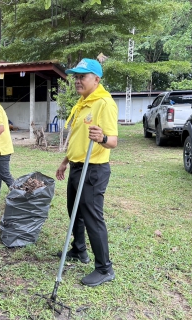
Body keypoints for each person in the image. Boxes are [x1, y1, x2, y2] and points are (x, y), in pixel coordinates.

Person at [55, 58, 118, 287]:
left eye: (83, 76)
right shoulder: (82, 103)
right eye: (76, 76)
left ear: (96, 79)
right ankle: (79, 250)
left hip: (93, 169)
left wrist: (101, 137)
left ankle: (104, 269)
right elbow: (77, 139)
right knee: (74, 211)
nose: (77, 80)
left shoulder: (104, 103)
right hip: (75, 166)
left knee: (92, 217)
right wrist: (65, 162)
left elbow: (113, 141)